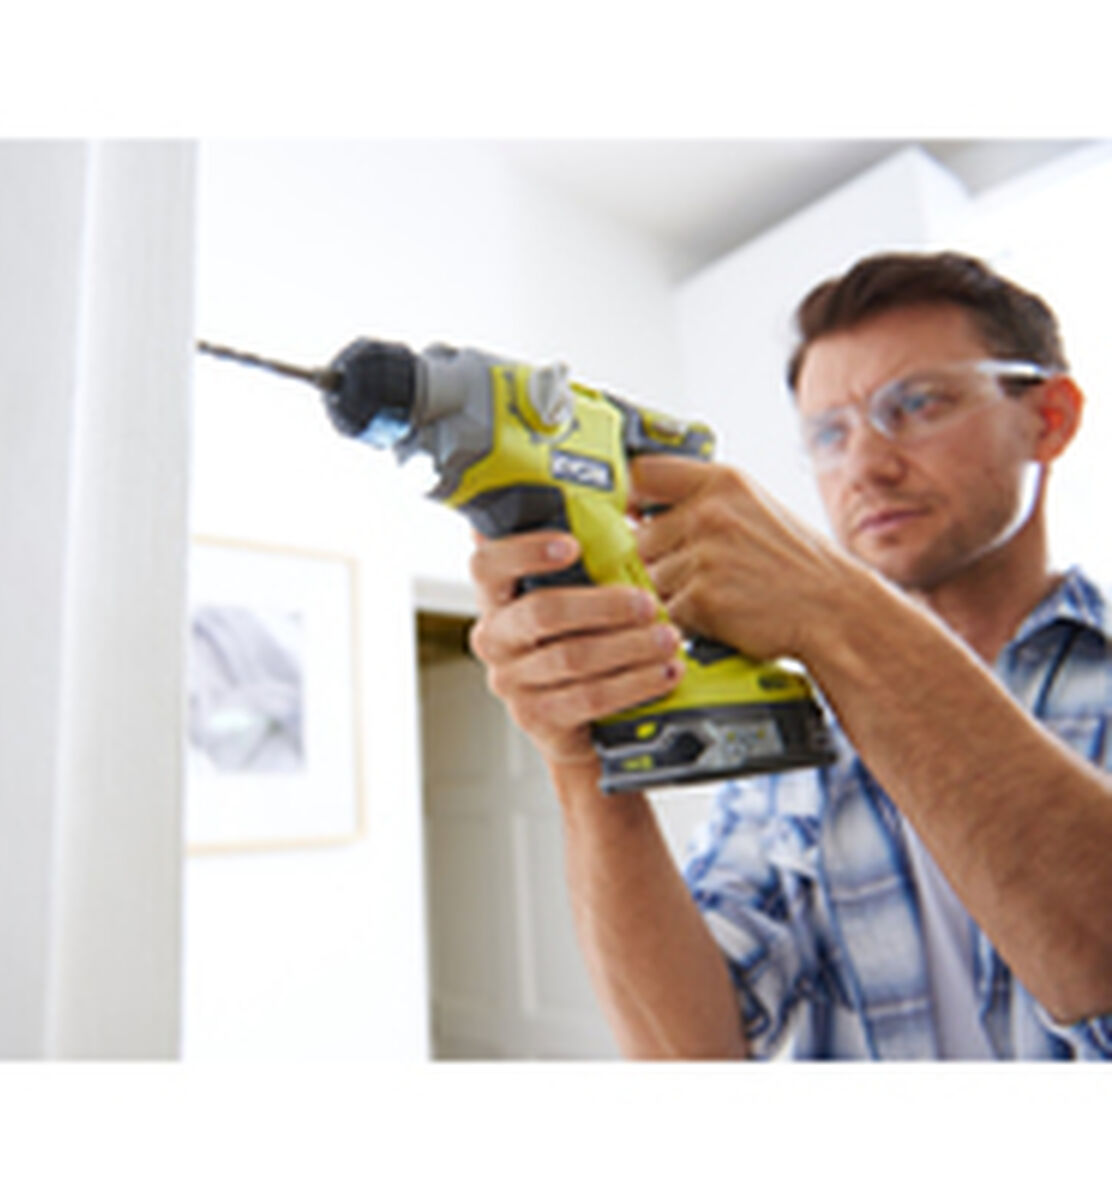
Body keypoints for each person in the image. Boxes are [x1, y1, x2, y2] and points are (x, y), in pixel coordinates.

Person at [466, 250, 1112, 1060]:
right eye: (829, 433)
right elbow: (693, 1055)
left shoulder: (830, 644)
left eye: (917, 404)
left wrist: (835, 609)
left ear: (1050, 417)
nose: (865, 467)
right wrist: (578, 757)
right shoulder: (797, 719)